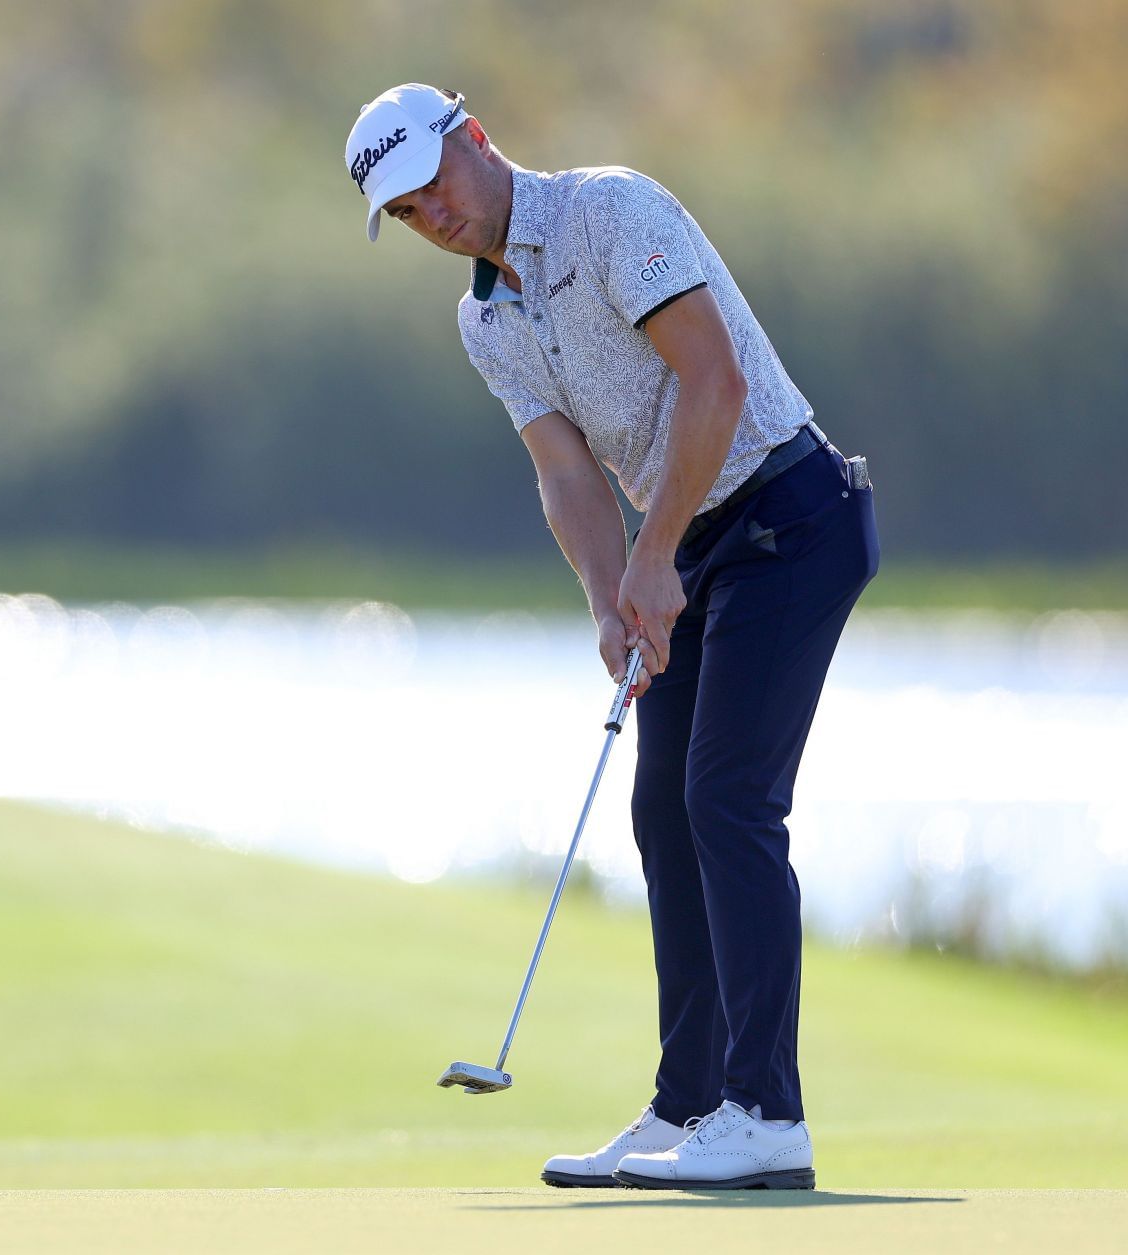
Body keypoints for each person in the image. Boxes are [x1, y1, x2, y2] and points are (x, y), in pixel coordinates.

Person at [345, 85, 877, 1189]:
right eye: (404, 214)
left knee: (726, 798)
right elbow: (565, 472)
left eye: (432, 185)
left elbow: (716, 383)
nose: (431, 217)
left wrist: (656, 556)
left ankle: (766, 1113)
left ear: (475, 139)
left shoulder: (609, 214)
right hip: (691, 543)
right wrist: (609, 597)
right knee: (663, 808)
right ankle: (689, 1106)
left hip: (791, 514)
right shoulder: (484, 316)